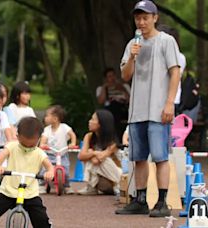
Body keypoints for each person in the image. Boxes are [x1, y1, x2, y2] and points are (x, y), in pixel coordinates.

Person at [115, 0, 180, 217]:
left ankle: (162, 202)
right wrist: (133, 55)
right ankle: (140, 199)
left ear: (155, 18)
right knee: (138, 157)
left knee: (160, 156)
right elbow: (125, 76)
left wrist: (169, 102)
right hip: (137, 110)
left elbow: (175, 72)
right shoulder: (132, 44)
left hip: (159, 109)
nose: (141, 22)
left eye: (145, 17)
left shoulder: (166, 41)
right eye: (138, 18)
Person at [0, 117, 54, 227]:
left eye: (32, 145)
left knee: (41, 219)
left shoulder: (39, 153)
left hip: (30, 193)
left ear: (39, 139)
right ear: (17, 137)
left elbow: (49, 166)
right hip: (8, 191)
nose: (28, 147)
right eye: (24, 144)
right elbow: (1, 156)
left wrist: (50, 173)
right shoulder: (12, 146)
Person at [77, 110, 122, 195]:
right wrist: (93, 153)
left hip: (114, 177)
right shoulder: (89, 136)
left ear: (101, 124)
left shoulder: (113, 142)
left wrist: (91, 153)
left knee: (104, 160)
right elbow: (81, 156)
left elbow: (98, 160)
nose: (89, 121)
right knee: (89, 156)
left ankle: (92, 187)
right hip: (101, 178)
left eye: (93, 119)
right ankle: (91, 187)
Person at [39, 105, 77, 194]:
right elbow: (43, 139)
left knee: (66, 171)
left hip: (62, 155)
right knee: (44, 170)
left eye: (47, 115)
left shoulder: (64, 127)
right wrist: (42, 145)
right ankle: (41, 185)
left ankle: (67, 186)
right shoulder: (47, 130)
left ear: (55, 118)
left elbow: (72, 135)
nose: (45, 117)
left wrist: (73, 143)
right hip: (50, 155)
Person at [96, 67, 129, 139]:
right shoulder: (101, 89)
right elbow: (101, 101)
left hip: (123, 108)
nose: (112, 78)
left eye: (113, 75)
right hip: (109, 109)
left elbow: (129, 100)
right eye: (109, 76)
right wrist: (105, 88)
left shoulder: (124, 87)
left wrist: (122, 89)